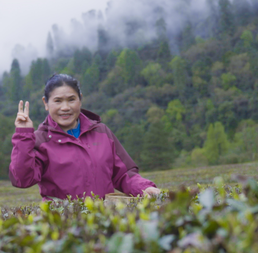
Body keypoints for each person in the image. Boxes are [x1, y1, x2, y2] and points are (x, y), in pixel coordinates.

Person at [9, 73, 160, 200]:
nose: (65, 107)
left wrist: (144, 188)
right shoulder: (40, 141)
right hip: (61, 221)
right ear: (46, 103)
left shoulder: (102, 132)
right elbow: (22, 179)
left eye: (71, 99)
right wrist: (23, 135)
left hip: (103, 218)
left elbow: (124, 174)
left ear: (80, 99)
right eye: (58, 101)